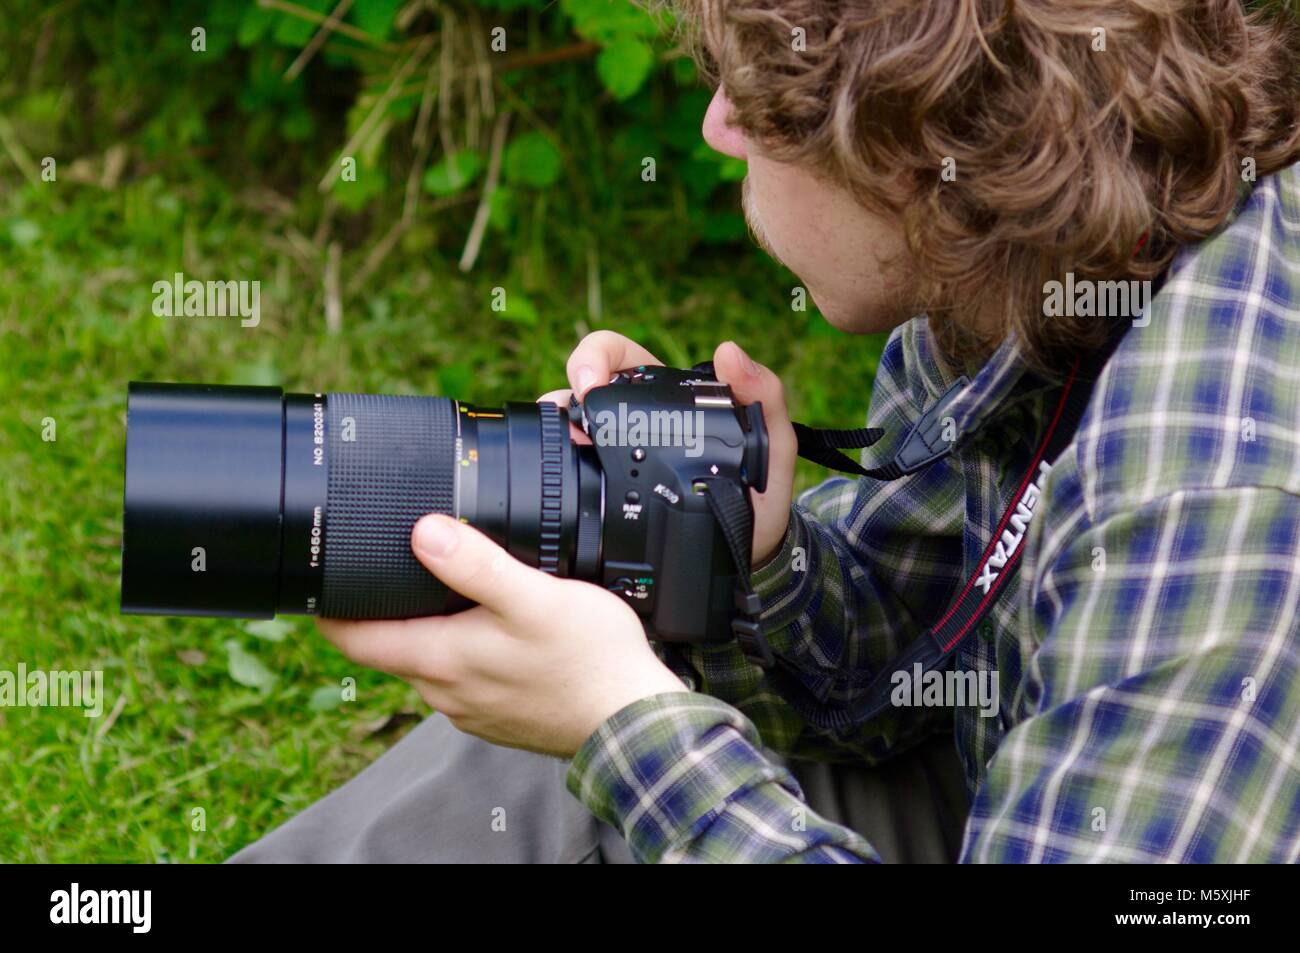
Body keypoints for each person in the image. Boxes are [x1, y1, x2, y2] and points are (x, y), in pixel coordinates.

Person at [231, 0, 1300, 863]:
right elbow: (912, 675)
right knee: (560, 741)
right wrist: (752, 557)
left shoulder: (1214, 495)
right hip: (1016, 773)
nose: (716, 128)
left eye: (761, 104)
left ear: (922, 146)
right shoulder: (1049, 248)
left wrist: (624, 724)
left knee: (629, 731)